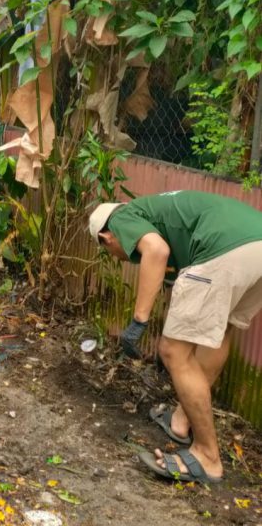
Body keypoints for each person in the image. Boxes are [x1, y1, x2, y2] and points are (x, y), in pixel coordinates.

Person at [89, 190, 262, 484]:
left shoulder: (121, 218)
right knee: (218, 334)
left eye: (111, 252)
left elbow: (156, 251)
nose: (119, 256)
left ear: (107, 238)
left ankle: (208, 458)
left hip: (221, 249)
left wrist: (138, 322)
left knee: (172, 351)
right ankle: (181, 422)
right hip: (254, 244)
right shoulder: (161, 211)